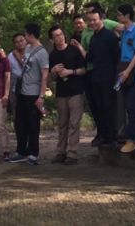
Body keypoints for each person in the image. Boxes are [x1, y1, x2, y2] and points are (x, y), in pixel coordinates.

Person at [7, 23, 48, 165]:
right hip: (22, 92)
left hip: (34, 93)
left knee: (33, 124)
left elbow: (44, 76)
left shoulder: (42, 53)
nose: (24, 37)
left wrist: (41, 96)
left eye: (25, 34)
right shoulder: (28, 49)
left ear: (31, 35)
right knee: (20, 122)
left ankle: (33, 152)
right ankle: (21, 150)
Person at [46, 25, 85, 164]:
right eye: (55, 36)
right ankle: (60, 152)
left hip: (76, 91)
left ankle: (72, 153)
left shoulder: (74, 50)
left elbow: (84, 69)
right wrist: (54, 71)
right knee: (62, 124)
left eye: (60, 34)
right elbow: (50, 78)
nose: (59, 37)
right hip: (61, 92)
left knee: (74, 123)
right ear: (52, 40)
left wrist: (70, 72)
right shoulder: (52, 55)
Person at [83, 8, 120, 148]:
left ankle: (112, 137)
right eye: (90, 20)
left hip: (108, 77)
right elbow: (90, 58)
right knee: (99, 107)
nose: (92, 23)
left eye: (94, 20)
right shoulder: (93, 37)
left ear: (101, 19)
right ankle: (103, 135)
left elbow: (117, 56)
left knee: (108, 106)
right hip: (95, 76)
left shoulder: (110, 36)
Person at [115, 4, 135, 153]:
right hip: (123, 72)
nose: (118, 18)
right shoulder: (124, 32)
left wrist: (128, 71)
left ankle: (133, 138)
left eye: (120, 15)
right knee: (128, 106)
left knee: (132, 106)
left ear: (127, 16)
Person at [7, 32, 27, 119]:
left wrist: (18, 56)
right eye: (17, 42)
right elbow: (8, 74)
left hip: (30, 88)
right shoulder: (10, 56)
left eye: (22, 40)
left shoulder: (32, 53)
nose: (20, 43)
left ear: (26, 40)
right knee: (17, 114)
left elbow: (28, 68)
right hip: (15, 89)